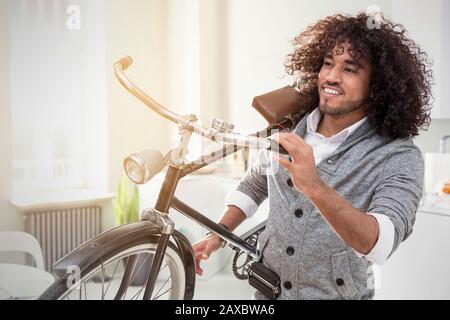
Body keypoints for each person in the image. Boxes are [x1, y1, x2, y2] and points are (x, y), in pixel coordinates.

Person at [192, 12, 432, 299]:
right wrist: (217, 234)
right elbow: (255, 184)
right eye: (328, 64)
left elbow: (380, 244)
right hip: (268, 294)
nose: (331, 76)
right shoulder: (289, 125)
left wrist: (315, 186)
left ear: (377, 84)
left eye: (350, 69)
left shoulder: (397, 156)